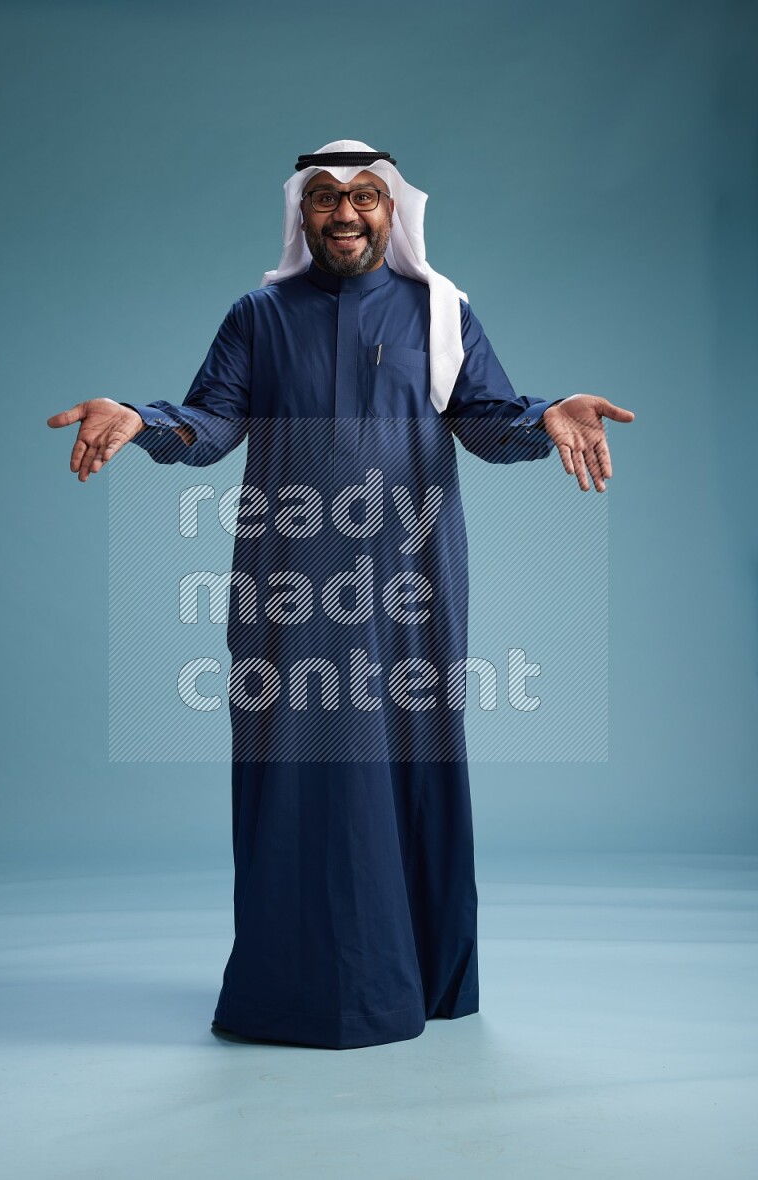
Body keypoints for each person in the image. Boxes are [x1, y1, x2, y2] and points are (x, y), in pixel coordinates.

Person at [47, 140, 634, 1050]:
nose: (346, 214)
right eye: (325, 199)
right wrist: (144, 421)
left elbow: (486, 416)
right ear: (301, 213)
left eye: (365, 197)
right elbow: (209, 422)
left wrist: (545, 415)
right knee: (296, 777)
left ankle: (417, 980)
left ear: (394, 211)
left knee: (407, 766)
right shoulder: (259, 316)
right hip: (289, 591)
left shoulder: (441, 312)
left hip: (412, 588)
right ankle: (296, 992)